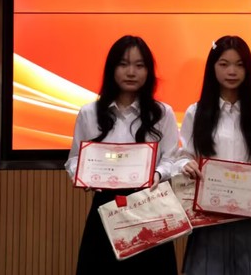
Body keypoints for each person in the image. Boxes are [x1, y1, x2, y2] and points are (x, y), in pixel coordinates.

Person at [64, 35, 179, 275]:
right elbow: (74, 159)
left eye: (139, 65)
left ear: (148, 71)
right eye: (123, 64)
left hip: (149, 205)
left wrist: (158, 174)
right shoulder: (89, 113)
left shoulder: (162, 113)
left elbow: (171, 158)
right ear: (112, 69)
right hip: (106, 206)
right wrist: (83, 175)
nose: (131, 72)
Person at [175, 36, 251, 274]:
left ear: (248, 69)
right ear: (212, 67)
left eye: (240, 65)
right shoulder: (196, 112)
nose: (232, 71)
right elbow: (184, 155)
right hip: (208, 217)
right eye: (224, 64)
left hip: (249, 217)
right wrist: (186, 165)